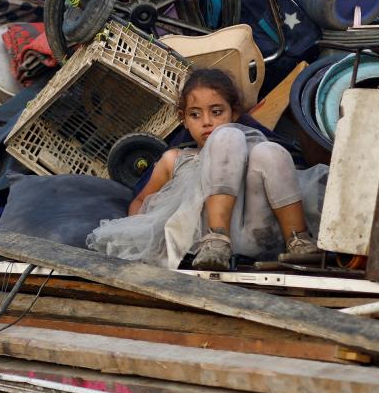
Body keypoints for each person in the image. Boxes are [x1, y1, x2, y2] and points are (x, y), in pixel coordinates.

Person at [88, 68, 320, 270]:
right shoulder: (174, 159)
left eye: (217, 112)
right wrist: (142, 234)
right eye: (195, 115)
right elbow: (140, 201)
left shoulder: (252, 151)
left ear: (235, 113)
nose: (206, 122)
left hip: (261, 235)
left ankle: (298, 241)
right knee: (226, 136)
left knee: (269, 150)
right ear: (184, 120)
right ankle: (216, 239)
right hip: (201, 245)